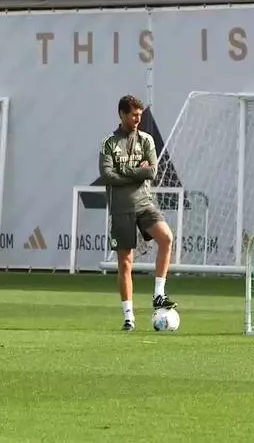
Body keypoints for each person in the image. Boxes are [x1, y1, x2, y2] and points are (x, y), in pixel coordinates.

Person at [98, 95, 176, 332]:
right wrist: (136, 171)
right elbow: (107, 175)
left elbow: (151, 172)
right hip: (121, 208)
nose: (137, 119)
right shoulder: (109, 143)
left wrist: (126, 171)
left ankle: (159, 294)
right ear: (122, 114)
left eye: (139, 115)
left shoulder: (146, 140)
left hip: (144, 203)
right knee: (125, 263)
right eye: (133, 115)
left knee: (166, 238)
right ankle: (129, 317)